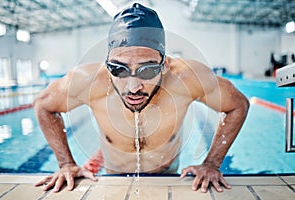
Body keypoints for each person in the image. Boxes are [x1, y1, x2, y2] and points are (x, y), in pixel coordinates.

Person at [34, 3, 249, 193]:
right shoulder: (88, 81)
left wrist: (212, 163)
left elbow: (238, 105)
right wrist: (66, 164)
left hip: (169, 184)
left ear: (164, 65)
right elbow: (44, 105)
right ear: (108, 64)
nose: (133, 86)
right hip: (113, 183)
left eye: (147, 70)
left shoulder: (188, 78)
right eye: (119, 70)